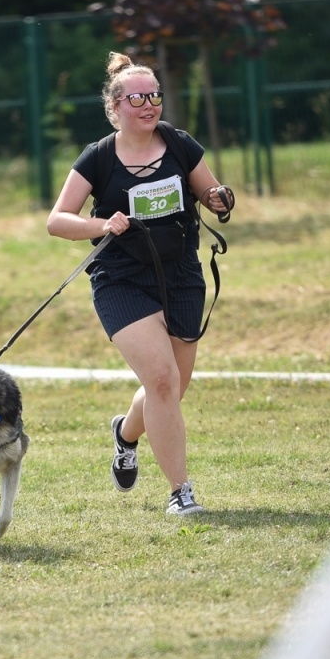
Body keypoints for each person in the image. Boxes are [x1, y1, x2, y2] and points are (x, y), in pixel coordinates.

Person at [47, 53, 230, 516]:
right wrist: (102, 225)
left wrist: (219, 199)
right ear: (115, 107)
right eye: (137, 98)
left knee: (171, 387)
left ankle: (125, 433)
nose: (149, 105)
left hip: (181, 275)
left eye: (155, 96)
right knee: (162, 379)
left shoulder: (180, 144)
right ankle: (180, 492)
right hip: (121, 277)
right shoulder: (98, 157)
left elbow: (210, 193)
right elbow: (58, 220)